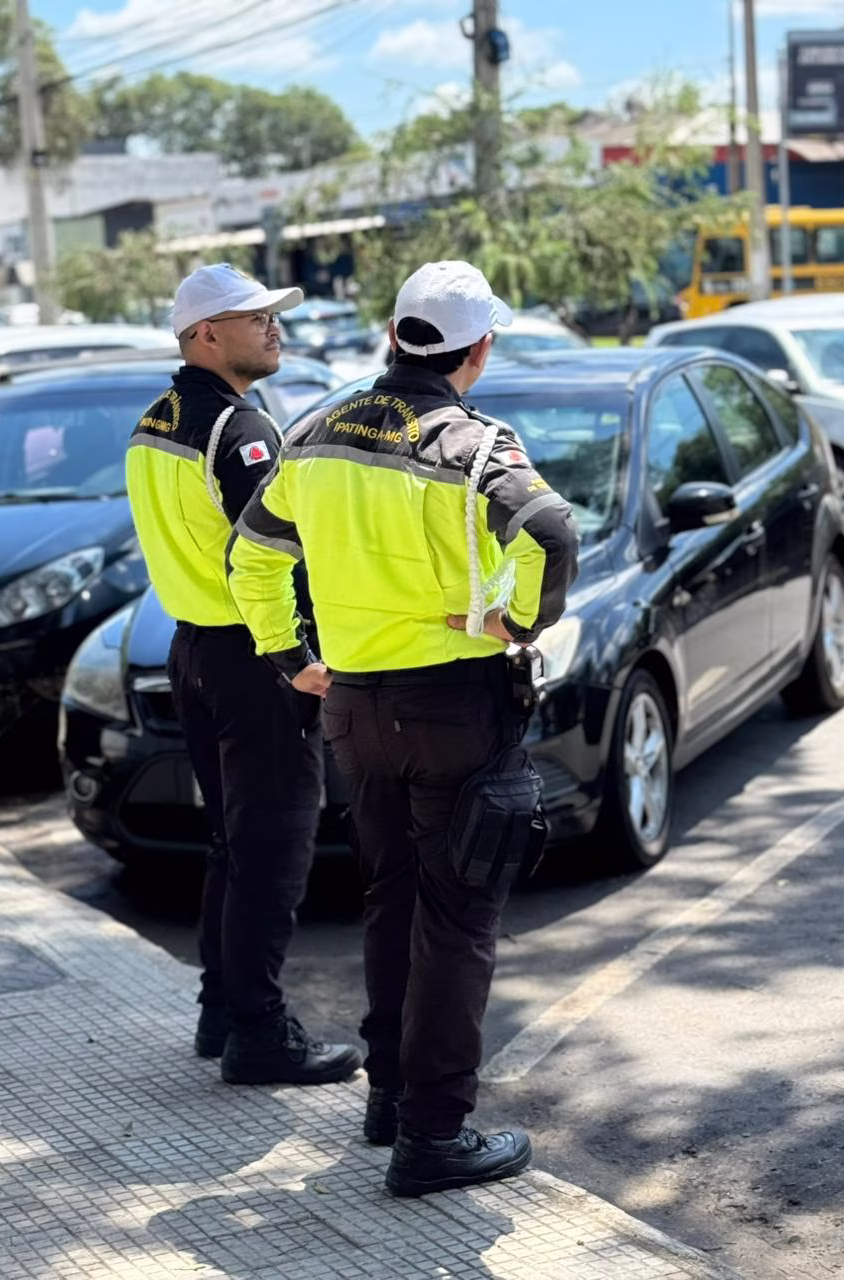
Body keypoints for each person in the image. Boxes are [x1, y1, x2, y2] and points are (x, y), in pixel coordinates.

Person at [226, 260, 579, 1196]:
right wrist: (519, 624)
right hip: (455, 707)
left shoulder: (318, 429)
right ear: (481, 348)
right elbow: (551, 529)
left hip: (353, 708)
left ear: (392, 334)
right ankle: (433, 1135)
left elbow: (252, 555)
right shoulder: (471, 443)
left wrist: (287, 656)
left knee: (392, 897)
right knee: (459, 921)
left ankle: (390, 1099)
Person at [125, 262, 361, 1088]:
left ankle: (220, 1010)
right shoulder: (239, 428)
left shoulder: (156, 418)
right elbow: (274, 556)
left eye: (273, 314)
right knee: (272, 851)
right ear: (203, 335)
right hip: (256, 657)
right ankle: (259, 1032)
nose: (274, 327)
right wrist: (299, 658)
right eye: (253, 316)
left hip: (193, 650)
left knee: (231, 843)